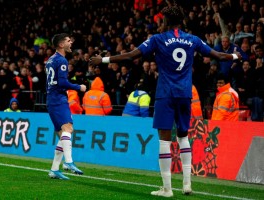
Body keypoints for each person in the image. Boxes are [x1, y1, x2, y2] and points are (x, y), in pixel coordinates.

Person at [90, 2, 242, 197]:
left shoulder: (158, 39)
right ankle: (187, 185)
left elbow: (132, 56)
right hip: (185, 93)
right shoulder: (193, 39)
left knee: (164, 140)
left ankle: (167, 189)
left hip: (166, 94)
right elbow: (218, 56)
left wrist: (103, 60)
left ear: (166, 21)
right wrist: (236, 56)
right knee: (184, 137)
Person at [45, 33, 87, 180]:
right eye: (69, 41)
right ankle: (69, 162)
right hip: (58, 99)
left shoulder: (50, 59)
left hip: (51, 99)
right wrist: (79, 87)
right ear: (61, 45)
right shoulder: (62, 60)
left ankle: (54, 169)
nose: (71, 43)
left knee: (63, 136)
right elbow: (62, 83)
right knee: (68, 129)